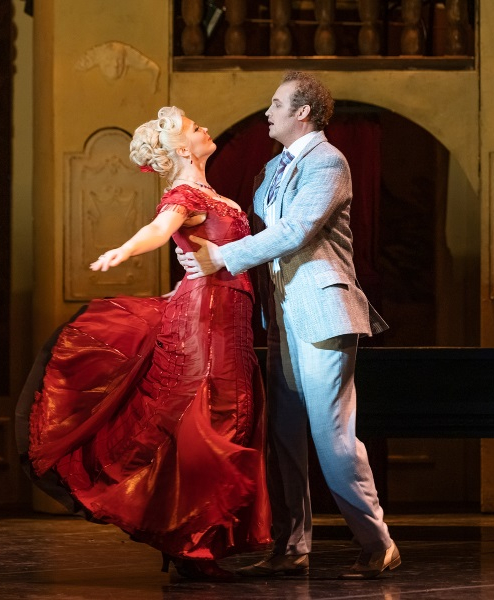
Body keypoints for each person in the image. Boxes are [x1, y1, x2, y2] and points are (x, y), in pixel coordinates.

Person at [15, 106, 271, 581]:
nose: (203, 128)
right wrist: (124, 250)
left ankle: (191, 539)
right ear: (182, 149)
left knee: (229, 416)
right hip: (209, 320)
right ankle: (191, 544)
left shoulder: (213, 195)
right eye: (194, 128)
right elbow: (159, 230)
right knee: (214, 418)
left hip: (226, 314)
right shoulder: (183, 194)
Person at [178, 71, 400, 580]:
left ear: (302, 112)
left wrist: (223, 258)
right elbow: (255, 226)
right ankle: (292, 545)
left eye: (277, 104)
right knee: (284, 434)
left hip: (322, 310)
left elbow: (296, 230)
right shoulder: (272, 167)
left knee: (332, 436)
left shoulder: (328, 161)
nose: (267, 112)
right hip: (281, 313)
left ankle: (377, 543)